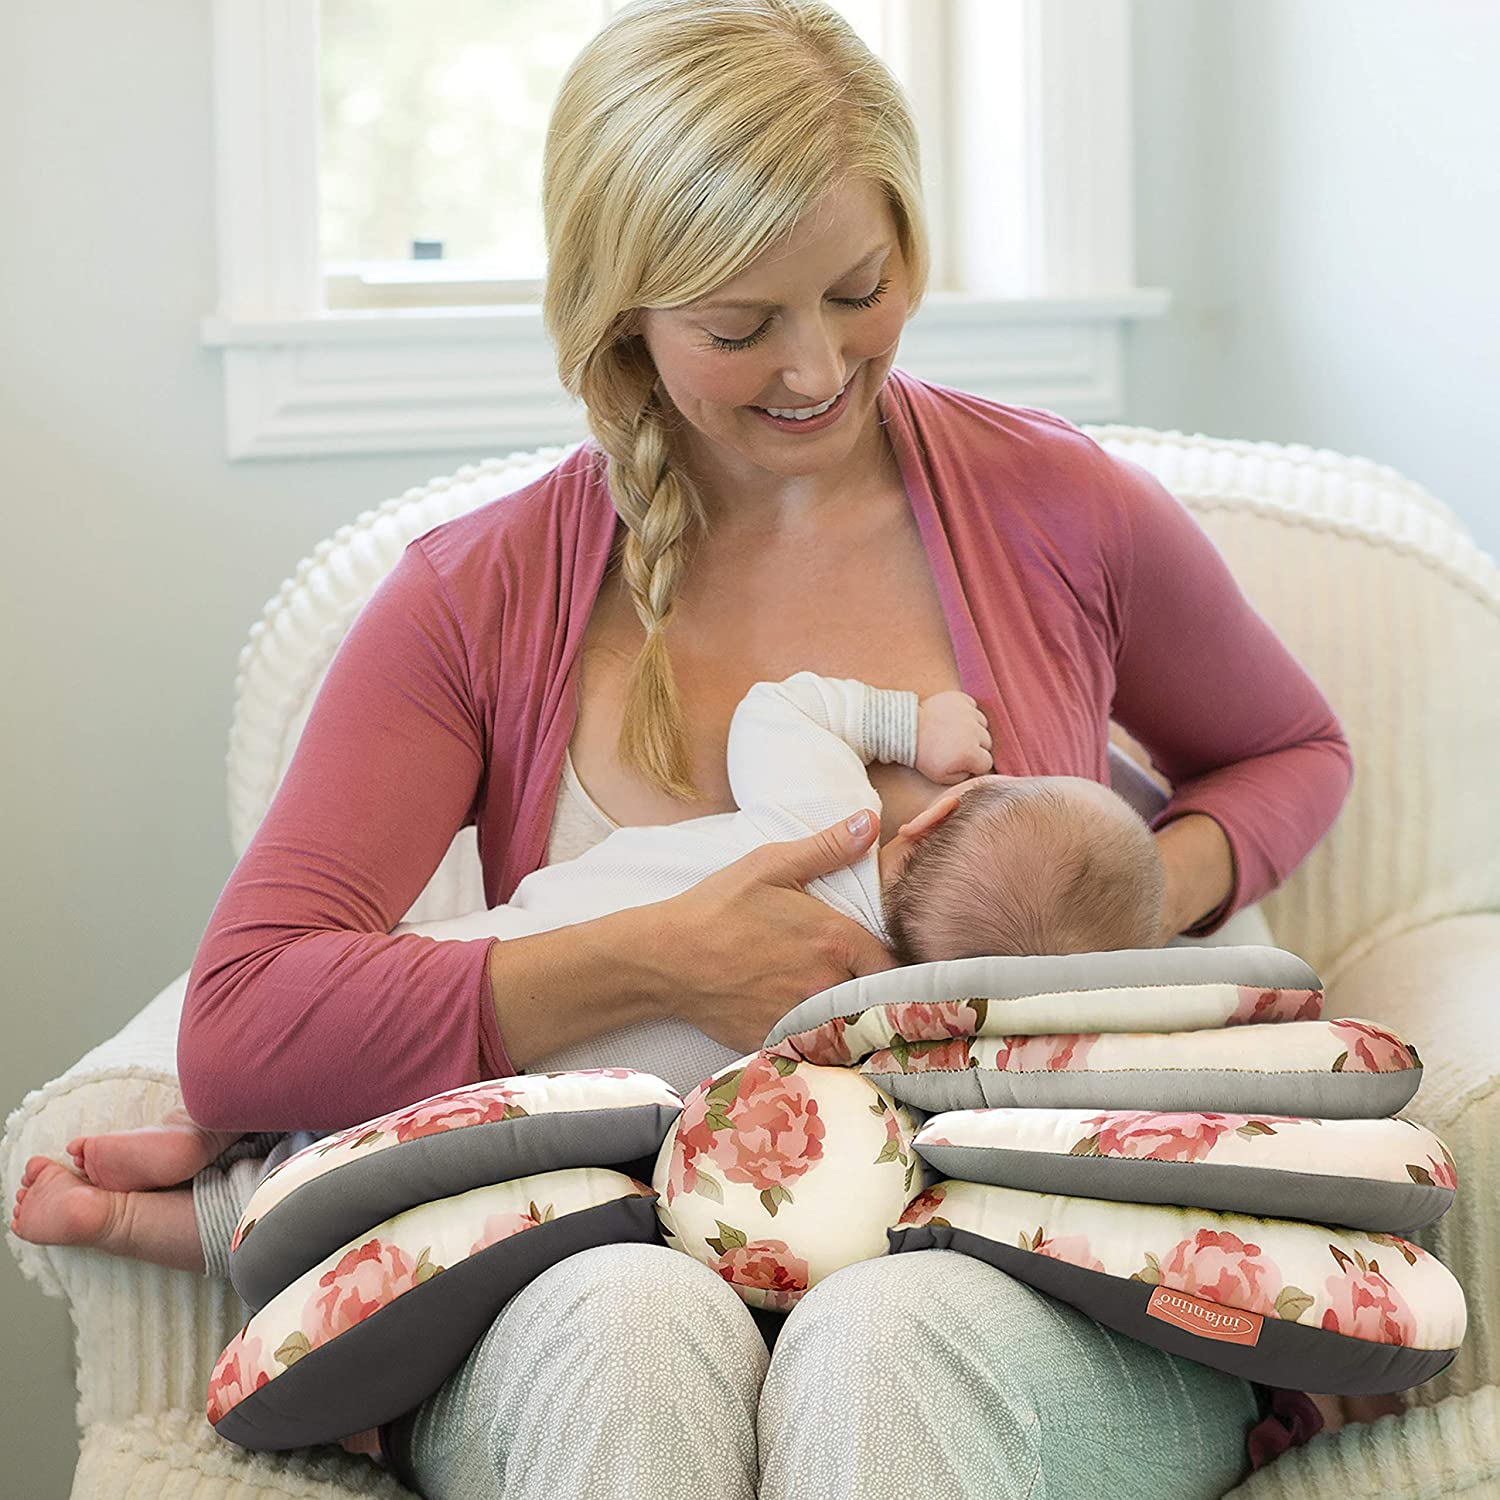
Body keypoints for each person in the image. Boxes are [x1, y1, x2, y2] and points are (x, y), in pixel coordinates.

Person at [92, 0, 1376, 1491]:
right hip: (606, 1267)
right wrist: (654, 958)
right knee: (634, 1325)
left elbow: (1288, 751)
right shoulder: (474, 598)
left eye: (861, 288)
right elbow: (244, 1019)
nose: (820, 368)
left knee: (890, 1341)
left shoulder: (1059, 508)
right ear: (619, 308)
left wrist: (1110, 918)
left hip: (1001, 1287)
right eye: (738, 324)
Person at [11, 670, 1166, 1275]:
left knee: (359, 1026)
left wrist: (905, 720)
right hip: (515, 1131)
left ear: (938, 817)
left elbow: (781, 707)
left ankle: (208, 1133)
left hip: (484, 981)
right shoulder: (878, 1052)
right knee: (359, 1211)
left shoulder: (836, 813)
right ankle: (131, 1217)